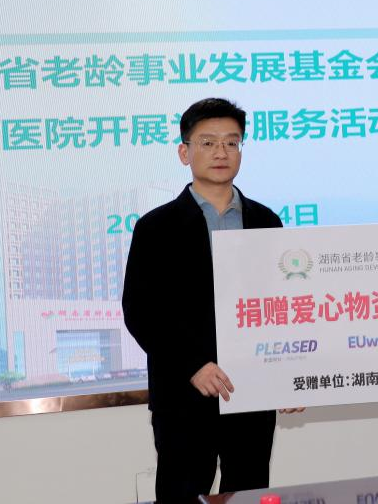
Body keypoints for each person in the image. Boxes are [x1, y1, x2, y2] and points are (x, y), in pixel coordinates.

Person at [122, 97, 286, 502]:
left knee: (248, 493)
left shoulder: (266, 221)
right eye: (208, 142)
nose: (221, 152)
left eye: (232, 142)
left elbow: (283, 305)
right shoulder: (156, 227)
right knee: (181, 495)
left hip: (251, 392)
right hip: (184, 395)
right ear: (185, 152)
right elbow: (140, 312)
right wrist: (192, 365)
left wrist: (289, 375)